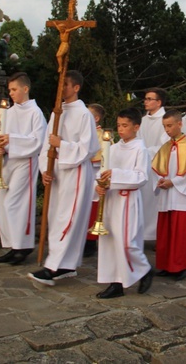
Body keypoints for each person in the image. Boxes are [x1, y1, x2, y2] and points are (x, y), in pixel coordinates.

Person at [29, 70, 99, 286]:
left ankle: (52, 267)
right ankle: (66, 265)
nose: (61, 89)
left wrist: (62, 145)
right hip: (58, 172)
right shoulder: (57, 112)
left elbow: (89, 148)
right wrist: (45, 170)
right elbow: (46, 145)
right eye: (60, 85)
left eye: (65, 85)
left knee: (66, 219)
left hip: (75, 172)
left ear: (76, 88)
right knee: (55, 216)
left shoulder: (84, 114)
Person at [93, 108, 154, 298]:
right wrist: (99, 184)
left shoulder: (140, 149)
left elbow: (141, 177)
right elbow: (102, 169)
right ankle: (115, 283)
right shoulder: (112, 147)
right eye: (119, 125)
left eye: (125, 126)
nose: (120, 129)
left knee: (126, 242)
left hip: (127, 200)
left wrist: (115, 176)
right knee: (109, 241)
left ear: (136, 127)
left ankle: (144, 269)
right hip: (111, 199)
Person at [0, 73, 47, 266]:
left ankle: (23, 245)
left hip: (24, 162)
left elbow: (38, 141)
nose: (11, 93)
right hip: (7, 163)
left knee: (16, 203)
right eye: (10, 90)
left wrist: (12, 141)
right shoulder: (9, 112)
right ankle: (13, 246)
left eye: (14, 89)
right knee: (4, 205)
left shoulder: (35, 113)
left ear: (25, 89)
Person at [152, 109, 186, 281]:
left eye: (169, 126)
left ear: (179, 124)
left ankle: (181, 266)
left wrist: (173, 182)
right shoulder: (165, 147)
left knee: (181, 232)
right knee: (166, 232)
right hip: (167, 195)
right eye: (164, 126)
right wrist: (160, 181)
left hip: (183, 196)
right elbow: (158, 169)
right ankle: (166, 265)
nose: (167, 130)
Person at [138, 87, 169, 241]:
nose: (146, 102)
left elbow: (166, 145)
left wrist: (146, 151)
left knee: (156, 203)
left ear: (159, 102)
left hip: (158, 168)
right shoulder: (143, 120)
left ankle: (157, 235)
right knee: (143, 202)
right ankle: (143, 234)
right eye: (146, 98)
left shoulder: (165, 120)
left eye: (150, 99)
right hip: (143, 166)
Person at [84, 103, 108, 259]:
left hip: (94, 175)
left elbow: (103, 159)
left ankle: (90, 242)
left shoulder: (102, 136)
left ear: (97, 118)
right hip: (81, 176)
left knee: (92, 210)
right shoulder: (83, 134)